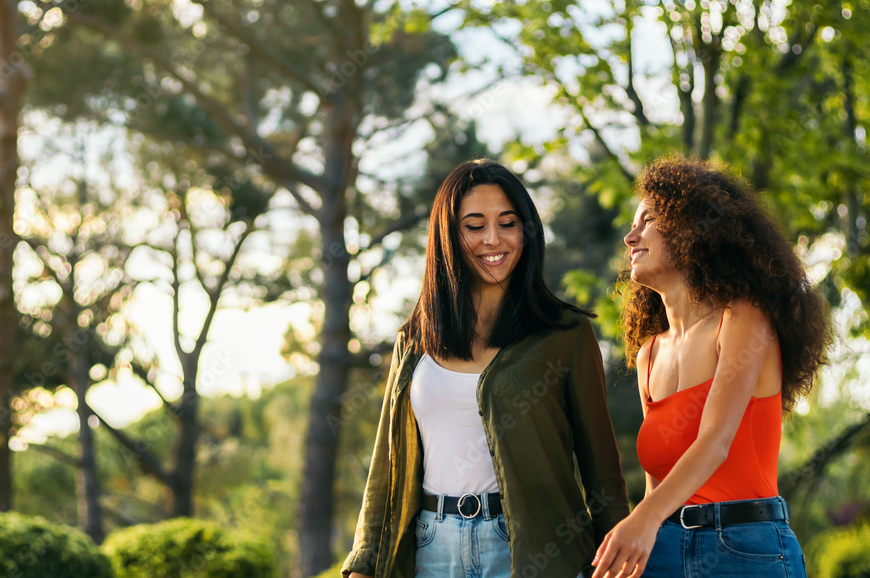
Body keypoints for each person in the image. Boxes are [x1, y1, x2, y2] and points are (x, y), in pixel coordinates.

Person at [343, 159, 630, 578]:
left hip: (531, 550)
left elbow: (602, 469)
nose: (493, 239)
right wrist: (364, 561)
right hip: (430, 547)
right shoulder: (415, 336)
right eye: (474, 226)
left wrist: (614, 559)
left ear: (526, 231)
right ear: (448, 236)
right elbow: (386, 463)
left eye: (508, 222)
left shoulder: (566, 334)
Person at [591, 156, 832, 578]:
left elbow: (715, 443)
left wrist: (642, 520)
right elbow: (658, 484)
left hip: (744, 547)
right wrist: (638, 541)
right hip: (662, 549)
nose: (631, 237)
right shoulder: (650, 354)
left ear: (690, 228)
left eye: (647, 221)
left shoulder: (744, 320)